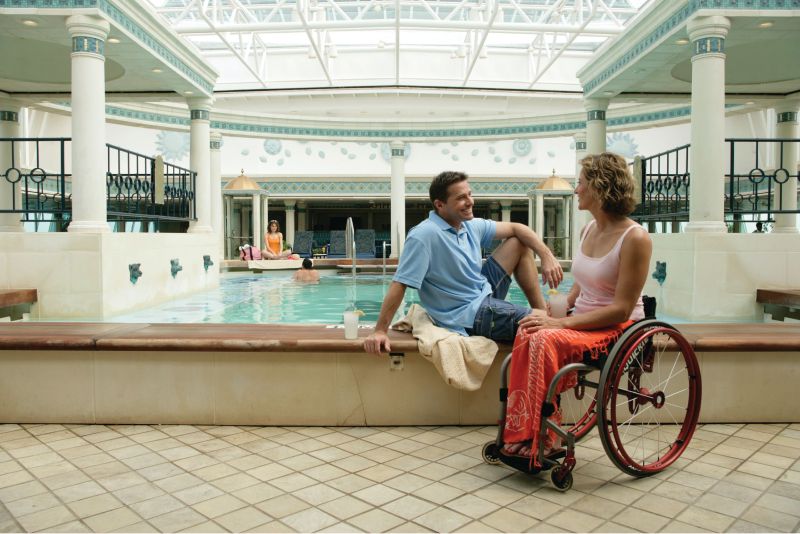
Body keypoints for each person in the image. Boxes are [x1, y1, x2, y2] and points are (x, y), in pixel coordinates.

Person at [501, 152, 652, 466]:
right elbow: (581, 287)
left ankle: (542, 438)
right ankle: (522, 432)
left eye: (581, 183)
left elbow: (622, 310)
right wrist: (553, 310)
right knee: (529, 326)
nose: (576, 189)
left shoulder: (635, 238)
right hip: (583, 321)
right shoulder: (588, 230)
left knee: (544, 338)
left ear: (599, 188)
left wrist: (561, 326)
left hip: (616, 329)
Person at [363, 171, 563, 354]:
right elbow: (400, 283)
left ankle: (541, 310)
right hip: (467, 314)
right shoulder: (424, 236)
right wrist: (380, 330)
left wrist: (546, 256)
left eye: (469, 194)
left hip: (482, 292)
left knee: (520, 242)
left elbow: (518, 228)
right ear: (440, 205)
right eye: (461, 198)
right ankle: (542, 316)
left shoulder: (469, 225)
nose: (470, 202)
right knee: (546, 325)